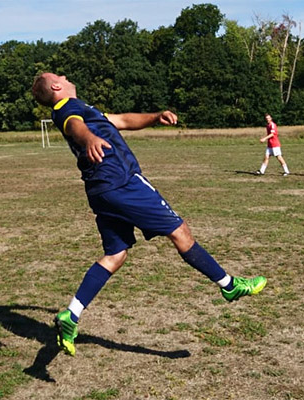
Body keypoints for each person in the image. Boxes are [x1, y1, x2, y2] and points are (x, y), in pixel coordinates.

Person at [31, 72, 267, 356]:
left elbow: (122, 120)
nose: (66, 76)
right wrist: (90, 138)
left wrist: (155, 117)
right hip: (122, 181)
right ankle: (229, 285)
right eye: (60, 76)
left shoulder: (85, 108)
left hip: (100, 190)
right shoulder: (67, 109)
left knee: (115, 255)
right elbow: (74, 127)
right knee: (180, 231)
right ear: (57, 86)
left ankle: (72, 313)